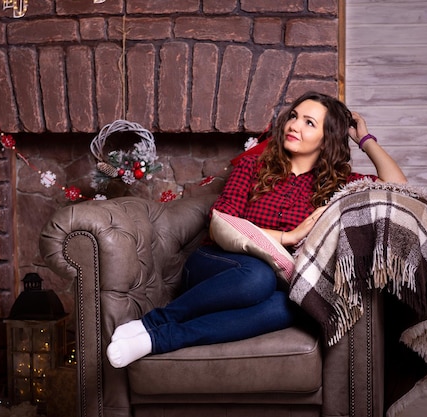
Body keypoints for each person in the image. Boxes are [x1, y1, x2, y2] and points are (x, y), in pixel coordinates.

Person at [106, 91, 407, 368]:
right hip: (219, 266)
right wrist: (288, 237)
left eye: (309, 122)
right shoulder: (253, 166)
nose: (294, 125)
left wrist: (364, 137)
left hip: (279, 282)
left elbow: (398, 188)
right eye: (294, 116)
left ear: (327, 138)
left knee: (289, 305)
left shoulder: (337, 185)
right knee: (256, 277)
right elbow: (221, 220)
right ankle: (154, 322)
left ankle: (157, 338)